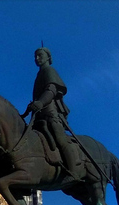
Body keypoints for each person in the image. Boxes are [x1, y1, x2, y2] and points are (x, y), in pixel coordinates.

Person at [27, 47, 84, 180]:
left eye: (40, 55)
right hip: (39, 115)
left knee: (60, 139)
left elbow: (51, 90)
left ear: (48, 57)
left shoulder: (49, 71)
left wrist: (40, 103)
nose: (37, 58)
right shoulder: (39, 75)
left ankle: (74, 170)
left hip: (50, 112)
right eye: (35, 56)